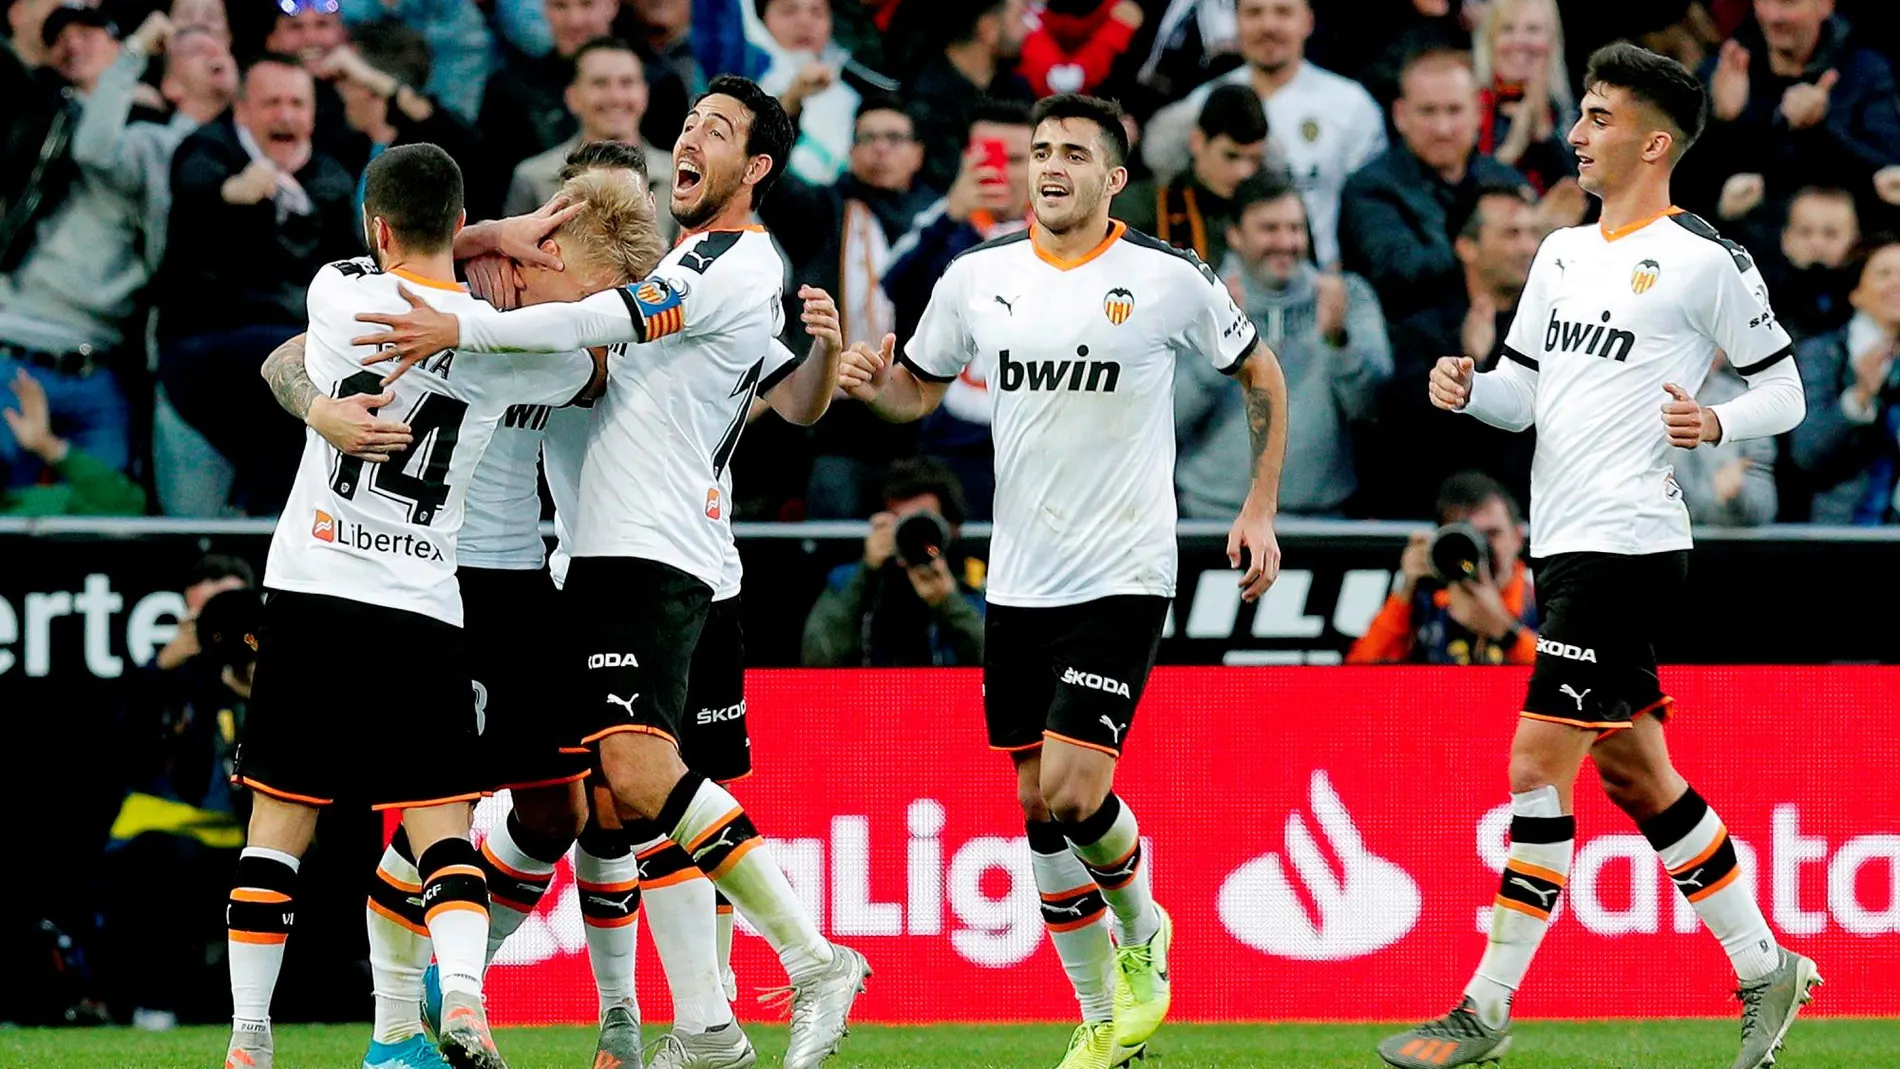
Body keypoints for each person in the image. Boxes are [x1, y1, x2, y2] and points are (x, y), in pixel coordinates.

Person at [347, 75, 867, 1069]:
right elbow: (786, 402)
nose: (690, 138)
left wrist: (465, 318)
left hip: (647, 560)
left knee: (631, 783)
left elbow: (598, 329)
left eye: (715, 130)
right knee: (618, 801)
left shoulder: (708, 269)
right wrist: (815, 361)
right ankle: (696, 1024)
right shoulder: (701, 268)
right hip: (666, 567)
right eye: (686, 124)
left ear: (755, 166)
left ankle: (796, 962)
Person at [1377, 43, 1814, 1069]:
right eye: (1579, 114)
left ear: (1653, 141)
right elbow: (1522, 393)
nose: (1576, 133)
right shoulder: (1562, 252)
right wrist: (1467, 386)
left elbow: (1784, 391)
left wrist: (1716, 421)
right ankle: (1763, 966)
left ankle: (1484, 1006)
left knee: (1535, 765)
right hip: (1562, 544)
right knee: (1637, 773)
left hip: (1631, 543)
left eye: (1597, 117)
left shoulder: (1706, 258)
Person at [835, 93, 1289, 1069]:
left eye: (1074, 153)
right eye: (1041, 150)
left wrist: (1256, 509)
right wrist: (872, 383)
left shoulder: (1165, 279)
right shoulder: (975, 278)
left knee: (1081, 793)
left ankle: (1143, 929)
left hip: (1122, 571)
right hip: (1017, 580)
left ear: (1114, 177)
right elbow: (916, 387)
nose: (1050, 165)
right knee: (1036, 804)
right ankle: (1099, 1018)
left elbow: (1261, 376)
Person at [224, 143, 606, 1069]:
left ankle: (248, 1042)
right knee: (441, 827)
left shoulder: (335, 294)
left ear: (377, 225)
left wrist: (323, 409)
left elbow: (328, 322)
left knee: (278, 831)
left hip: (311, 586)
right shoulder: (497, 342)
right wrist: (512, 256)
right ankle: (466, 1002)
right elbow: (586, 370)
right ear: (462, 216)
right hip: (424, 605)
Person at [1176, 170, 1389, 520]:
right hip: (1212, 518)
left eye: (1295, 228)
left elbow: (1373, 412)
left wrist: (1338, 343)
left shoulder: (1348, 297)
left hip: (1322, 521)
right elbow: (1167, 417)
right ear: (1235, 235)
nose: (1286, 242)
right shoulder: (1195, 300)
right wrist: (1221, 350)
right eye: (1270, 229)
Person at [802, 456, 986, 667]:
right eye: (901, 522)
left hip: (950, 697)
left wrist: (949, 603)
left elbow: (1001, 664)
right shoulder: (849, 580)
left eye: (922, 522)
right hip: (869, 696)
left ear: (952, 528)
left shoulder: (971, 585)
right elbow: (817, 658)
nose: (912, 535)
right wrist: (865, 575)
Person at [1348, 471, 1537, 665]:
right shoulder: (1427, 601)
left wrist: (1507, 634)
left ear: (1517, 538)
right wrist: (1406, 591)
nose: (1481, 546)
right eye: (1466, 535)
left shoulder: (1546, 603)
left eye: (1492, 534)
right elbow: (1357, 673)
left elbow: (1564, 681)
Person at [1789, 235, 1900, 524]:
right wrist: (1860, 396)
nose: (1897, 284)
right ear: (1856, 292)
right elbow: (1806, 453)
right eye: (1884, 274)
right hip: (1844, 532)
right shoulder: (1823, 354)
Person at [1112, 83, 1267, 273]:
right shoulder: (1142, 206)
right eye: (1231, 156)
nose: (1244, 172)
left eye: (1254, 159)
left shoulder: (1279, 210)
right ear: (1198, 141)